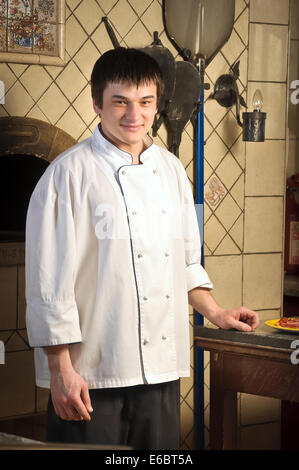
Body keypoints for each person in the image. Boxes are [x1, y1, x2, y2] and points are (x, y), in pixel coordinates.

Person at [25, 47, 259, 450]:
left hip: (160, 371)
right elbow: (48, 284)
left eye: (145, 102)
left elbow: (185, 260)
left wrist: (216, 312)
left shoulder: (171, 171)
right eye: (120, 102)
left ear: (156, 104)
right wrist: (60, 370)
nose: (135, 115)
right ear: (97, 103)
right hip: (91, 374)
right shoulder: (66, 174)